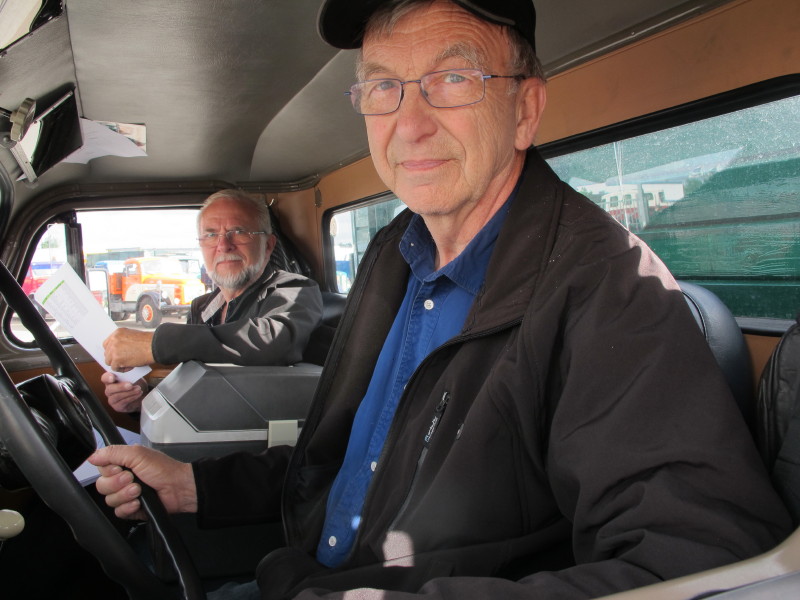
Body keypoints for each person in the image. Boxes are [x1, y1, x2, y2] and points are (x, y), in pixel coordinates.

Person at [90, 1, 792, 598]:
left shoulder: (609, 291)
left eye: (453, 79)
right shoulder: (395, 252)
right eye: (383, 86)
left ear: (525, 109)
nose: (409, 123)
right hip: (301, 570)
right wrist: (195, 487)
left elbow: (705, 564)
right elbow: (354, 460)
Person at [101, 189, 323, 413]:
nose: (223, 245)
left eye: (238, 231)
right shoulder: (202, 307)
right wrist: (142, 397)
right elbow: (194, 384)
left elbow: (275, 340)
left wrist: (156, 344)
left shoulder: (296, 289)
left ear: (268, 245)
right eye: (210, 235)